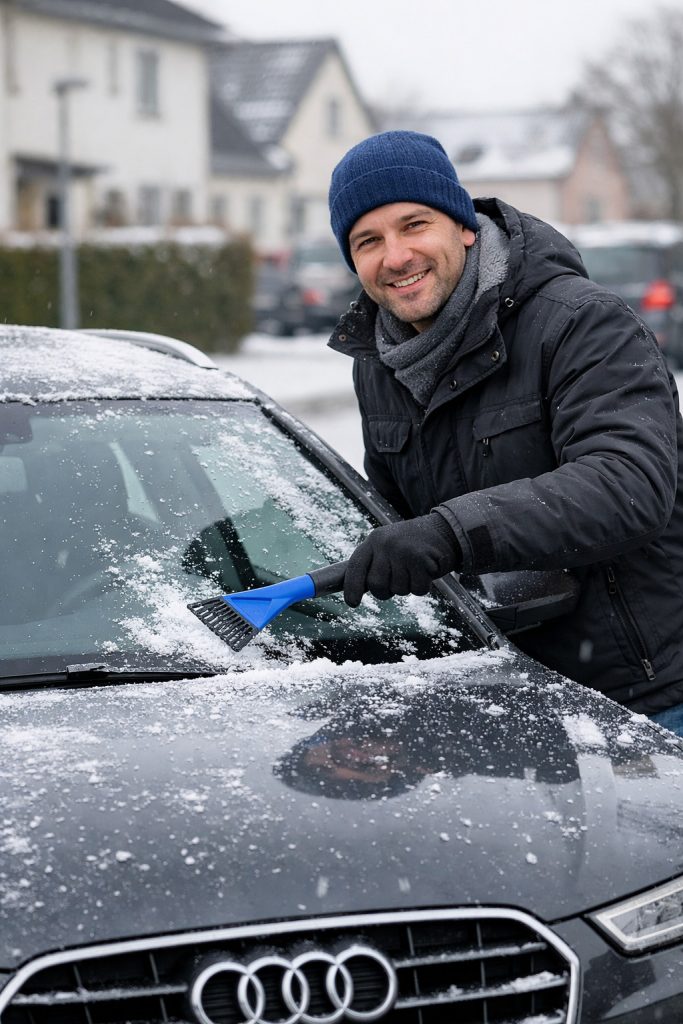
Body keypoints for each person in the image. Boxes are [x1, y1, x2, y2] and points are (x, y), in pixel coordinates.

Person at [326, 129, 683, 733]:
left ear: (464, 225)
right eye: (368, 240)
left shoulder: (581, 323)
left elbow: (629, 484)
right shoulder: (381, 364)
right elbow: (393, 516)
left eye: (414, 225)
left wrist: (450, 534)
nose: (396, 256)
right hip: (499, 695)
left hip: (644, 699)